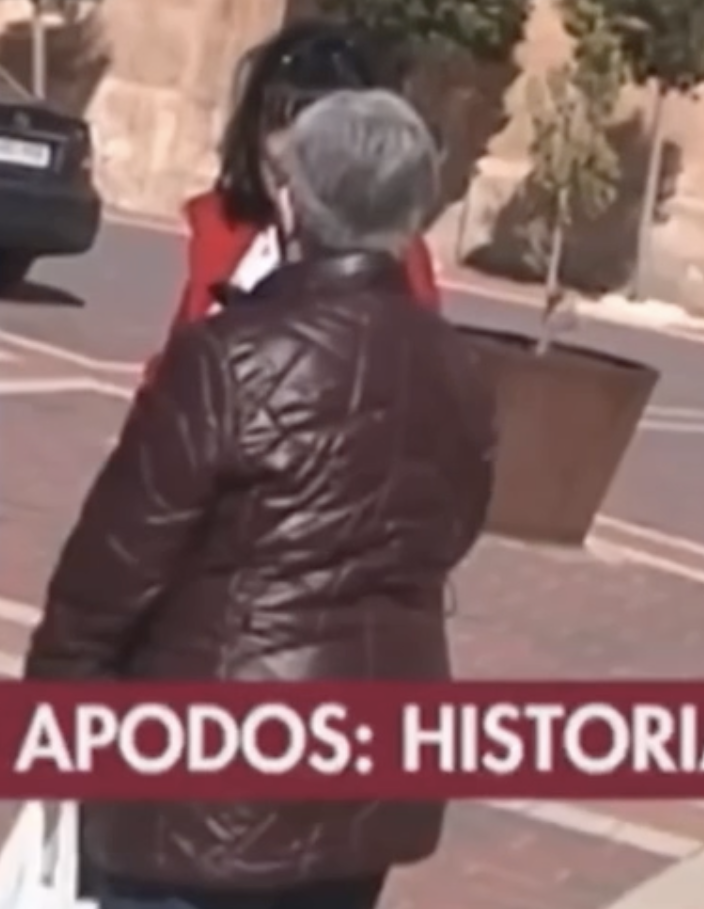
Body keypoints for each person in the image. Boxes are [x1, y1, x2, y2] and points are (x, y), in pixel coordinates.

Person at [29, 89, 497, 909]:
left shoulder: (229, 356)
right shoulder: (460, 367)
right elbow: (453, 528)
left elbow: (119, 561)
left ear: (291, 202)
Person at [170, 19, 443, 325]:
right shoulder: (226, 232)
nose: (292, 148)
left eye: (322, 131)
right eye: (279, 120)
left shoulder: (395, 265)